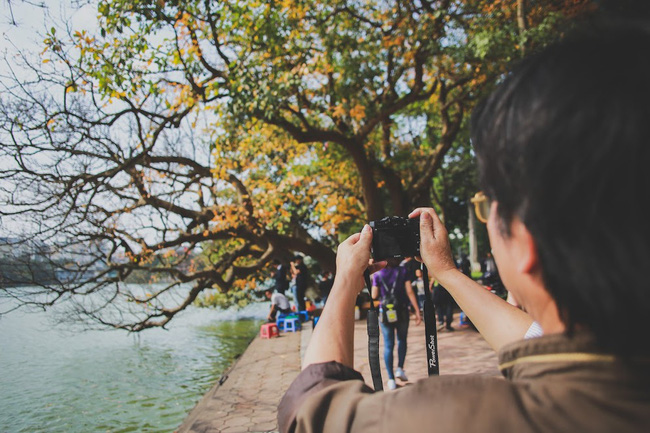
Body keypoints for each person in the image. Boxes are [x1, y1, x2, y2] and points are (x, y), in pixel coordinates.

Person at [278, 27, 650, 432]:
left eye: (488, 205)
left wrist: (345, 280)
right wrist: (447, 273)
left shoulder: (465, 417)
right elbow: (540, 342)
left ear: (526, 241)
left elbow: (307, 409)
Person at [371, 258, 421, 390]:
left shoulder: (378, 274)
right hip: (402, 310)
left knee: (388, 345)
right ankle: (400, 368)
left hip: (386, 312)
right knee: (402, 340)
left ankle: (391, 379)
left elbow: (374, 295)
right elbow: (409, 291)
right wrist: (417, 311)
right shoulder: (403, 270)